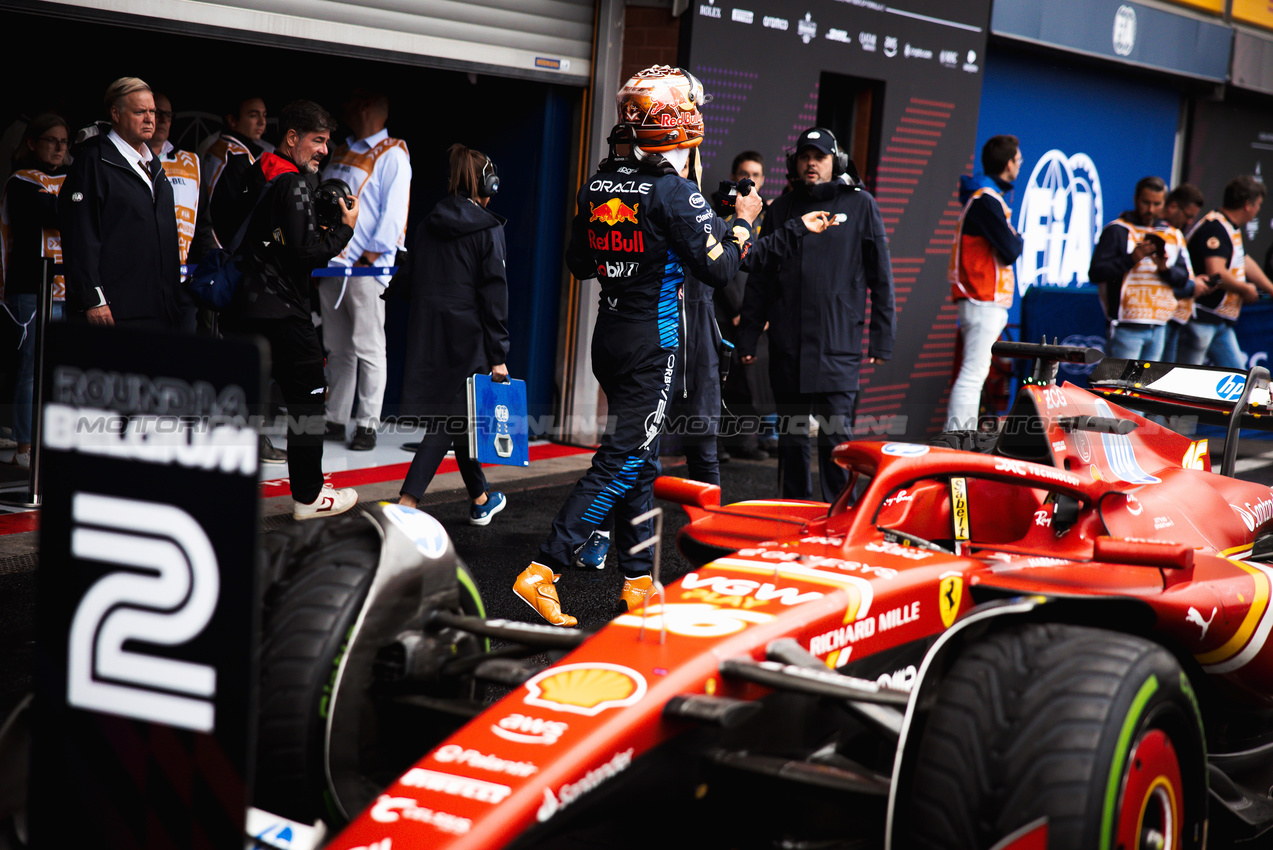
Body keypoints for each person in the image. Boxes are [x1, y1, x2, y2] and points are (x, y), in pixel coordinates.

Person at [514, 67, 832, 625]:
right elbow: (720, 269)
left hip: (608, 337)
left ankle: (638, 583)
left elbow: (579, 264)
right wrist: (742, 221)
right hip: (650, 345)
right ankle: (545, 568)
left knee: (637, 463)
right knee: (621, 461)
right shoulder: (675, 191)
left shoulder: (598, 184)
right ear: (677, 124)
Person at [738, 126, 896, 502]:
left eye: (820, 157)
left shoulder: (861, 205)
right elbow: (759, 278)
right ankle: (792, 511)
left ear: (835, 162)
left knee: (836, 439)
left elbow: (882, 277)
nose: (811, 163)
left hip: (837, 346)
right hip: (789, 343)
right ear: (795, 162)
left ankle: (839, 515)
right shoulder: (781, 209)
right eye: (805, 156)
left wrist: (882, 337)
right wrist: (747, 335)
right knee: (791, 438)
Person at [223, 100, 361, 520]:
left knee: (241, 402)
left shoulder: (254, 168)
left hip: (241, 307)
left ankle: (219, 493)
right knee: (307, 402)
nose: (324, 151)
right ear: (292, 138)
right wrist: (344, 228)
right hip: (284, 310)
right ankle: (309, 496)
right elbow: (306, 253)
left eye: (326, 143)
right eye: (317, 141)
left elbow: (227, 219)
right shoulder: (294, 182)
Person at [396, 143, 508, 525]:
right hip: (469, 338)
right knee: (447, 421)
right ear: (488, 184)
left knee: (459, 416)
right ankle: (406, 505)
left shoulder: (428, 224)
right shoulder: (488, 229)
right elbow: (494, 297)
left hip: (429, 333)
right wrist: (499, 354)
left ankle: (480, 498)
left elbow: (408, 280)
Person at [319, 89, 412, 451]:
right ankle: (336, 417)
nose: (343, 110)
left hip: (365, 268)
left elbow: (394, 212)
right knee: (337, 345)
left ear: (365, 105)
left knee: (369, 346)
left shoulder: (392, 151)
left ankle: (367, 424)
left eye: (348, 103)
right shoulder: (341, 149)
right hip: (332, 263)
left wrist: (371, 258)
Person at [60, 77, 182, 329]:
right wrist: (93, 300)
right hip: (115, 315)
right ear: (115, 113)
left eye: (152, 112)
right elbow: (80, 237)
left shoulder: (154, 166)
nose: (150, 119)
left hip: (160, 312)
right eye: (140, 112)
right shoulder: (92, 162)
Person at [0, 114, 68, 468]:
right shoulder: (21, 181)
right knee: (31, 369)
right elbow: (56, 213)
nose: (59, 148)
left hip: (69, 290)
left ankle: (53, 441)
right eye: (51, 140)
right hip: (31, 288)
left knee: (62, 371)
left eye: (64, 142)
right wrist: (68, 203)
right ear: (31, 143)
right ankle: (25, 447)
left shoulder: (71, 179)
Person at [944, 134, 1023, 432]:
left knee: (975, 374)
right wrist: (1018, 239)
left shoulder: (987, 197)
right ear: (1008, 164)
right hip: (981, 298)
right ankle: (956, 438)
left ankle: (960, 436)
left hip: (983, 299)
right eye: (1018, 159)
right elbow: (1011, 249)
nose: (1021, 164)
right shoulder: (986, 199)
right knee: (972, 375)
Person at [1088, 176, 1196, 362]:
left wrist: (1165, 269)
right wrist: (1131, 259)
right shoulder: (1117, 230)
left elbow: (1184, 279)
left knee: (1146, 388)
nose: (1151, 209)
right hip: (1126, 326)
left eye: (1157, 203)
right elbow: (1096, 273)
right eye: (1146, 202)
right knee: (1119, 387)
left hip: (1160, 326)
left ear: (1164, 203)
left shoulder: (1172, 234)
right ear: (1136, 199)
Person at [713, 150, 776, 463]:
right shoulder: (719, 212)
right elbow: (719, 265)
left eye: (756, 174)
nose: (750, 180)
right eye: (744, 174)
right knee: (717, 381)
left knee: (748, 382)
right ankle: (716, 447)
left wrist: (759, 312)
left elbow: (768, 269)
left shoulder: (768, 217)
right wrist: (737, 309)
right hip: (723, 312)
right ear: (735, 176)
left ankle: (748, 443)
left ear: (763, 180)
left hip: (752, 313)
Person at [1179, 175, 1273, 368]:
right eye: (1258, 205)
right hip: (1201, 316)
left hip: (1220, 320)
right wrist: (1245, 289)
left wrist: (1270, 287)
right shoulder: (1215, 227)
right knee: (1185, 374)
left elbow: (1243, 260)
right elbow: (1217, 272)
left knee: (1237, 374)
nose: (1258, 211)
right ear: (1248, 204)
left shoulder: (1230, 227)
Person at [148, 92, 201, 333]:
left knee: (183, 360)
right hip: (139, 281)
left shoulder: (190, 161)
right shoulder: (122, 158)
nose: (162, 119)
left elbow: (204, 222)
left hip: (182, 282)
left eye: (167, 115)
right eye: (156, 112)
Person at [200, 95, 270, 249]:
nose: (262, 122)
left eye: (264, 115)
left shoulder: (220, 148)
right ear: (232, 120)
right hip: (224, 250)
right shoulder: (235, 156)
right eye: (253, 115)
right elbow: (241, 212)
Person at [1161, 183, 1206, 363]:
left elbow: (1178, 274)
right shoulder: (1161, 234)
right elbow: (1163, 281)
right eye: (1188, 216)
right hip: (1161, 319)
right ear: (1172, 207)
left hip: (1175, 318)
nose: (1190, 222)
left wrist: (1193, 283)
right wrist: (1192, 286)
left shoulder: (1175, 234)